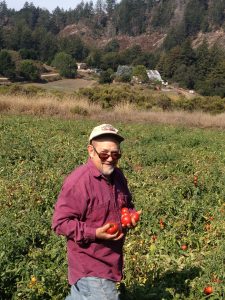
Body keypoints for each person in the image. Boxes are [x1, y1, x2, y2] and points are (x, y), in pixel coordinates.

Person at [52, 123, 140, 300]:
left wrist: (130, 215)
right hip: (90, 265)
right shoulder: (79, 182)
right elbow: (60, 223)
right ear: (91, 151)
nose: (110, 158)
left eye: (115, 154)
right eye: (104, 153)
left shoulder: (118, 177)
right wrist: (95, 233)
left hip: (111, 261)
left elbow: (126, 204)